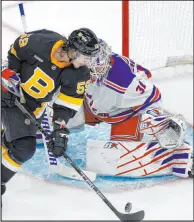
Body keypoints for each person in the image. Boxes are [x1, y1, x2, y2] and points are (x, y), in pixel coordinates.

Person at [73, 39, 193, 178]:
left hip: (135, 109)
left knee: (118, 155)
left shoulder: (119, 82)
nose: (100, 65)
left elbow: (101, 107)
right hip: (115, 107)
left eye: (98, 63)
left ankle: (167, 130)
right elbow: (145, 72)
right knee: (69, 114)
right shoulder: (104, 62)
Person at [1, 28, 100, 196]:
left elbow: (66, 105)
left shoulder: (80, 74)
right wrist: (11, 76)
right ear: (73, 50)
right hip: (6, 90)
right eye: (86, 56)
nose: (88, 62)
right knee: (24, 147)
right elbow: (16, 50)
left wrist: (59, 130)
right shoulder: (42, 41)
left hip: (31, 107)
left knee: (18, 144)